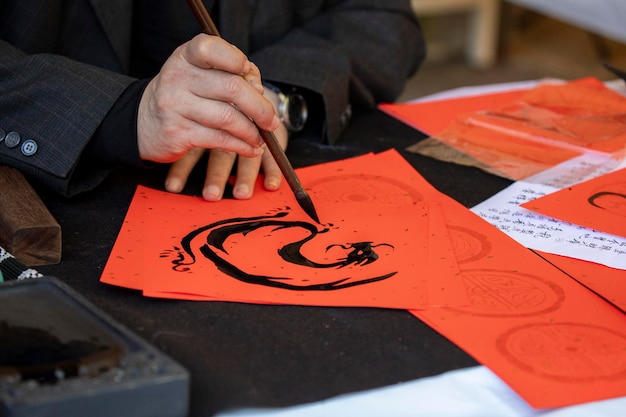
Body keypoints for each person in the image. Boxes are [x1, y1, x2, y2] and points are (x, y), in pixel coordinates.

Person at [0, 0, 425, 201]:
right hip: (49, 192)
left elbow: (383, 18)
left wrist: (271, 94)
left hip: (241, 185)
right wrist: (126, 113)